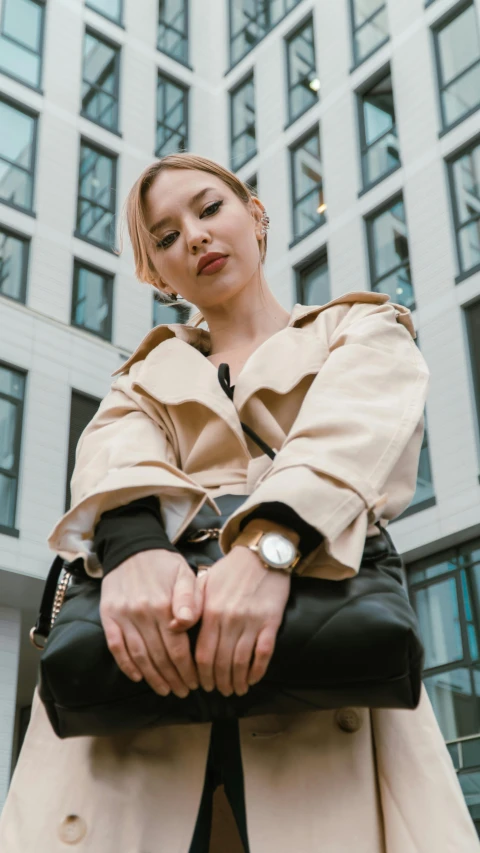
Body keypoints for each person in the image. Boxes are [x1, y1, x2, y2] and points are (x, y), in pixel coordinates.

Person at [0, 152, 478, 853]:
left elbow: (352, 435)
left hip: (320, 664)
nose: (192, 236)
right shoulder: (139, 381)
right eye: (163, 237)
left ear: (255, 215)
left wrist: (270, 548)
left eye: (208, 208)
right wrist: (132, 549)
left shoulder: (359, 329)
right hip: (147, 678)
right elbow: (113, 457)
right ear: (156, 276)